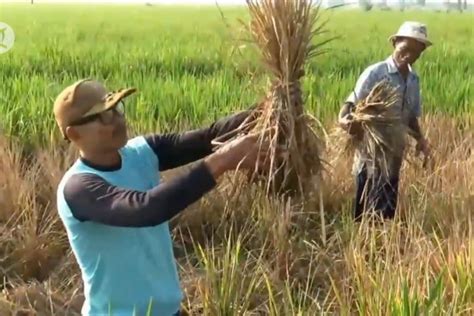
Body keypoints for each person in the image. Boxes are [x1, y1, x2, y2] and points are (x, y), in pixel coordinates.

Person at [53, 78, 285, 316]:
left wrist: (270, 107)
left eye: (116, 109)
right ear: (74, 133)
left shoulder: (141, 152)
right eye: (103, 116)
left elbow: (210, 137)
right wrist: (222, 161)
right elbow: (147, 208)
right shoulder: (78, 188)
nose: (117, 119)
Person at [338, 21, 432, 220]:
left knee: (387, 209)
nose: (409, 55)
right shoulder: (376, 73)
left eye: (416, 52)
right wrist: (343, 120)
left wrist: (421, 140)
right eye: (406, 48)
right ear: (395, 43)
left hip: (394, 154)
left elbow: (411, 117)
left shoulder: (414, 81)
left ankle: (382, 246)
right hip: (370, 153)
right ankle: (361, 246)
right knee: (364, 210)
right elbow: (351, 102)